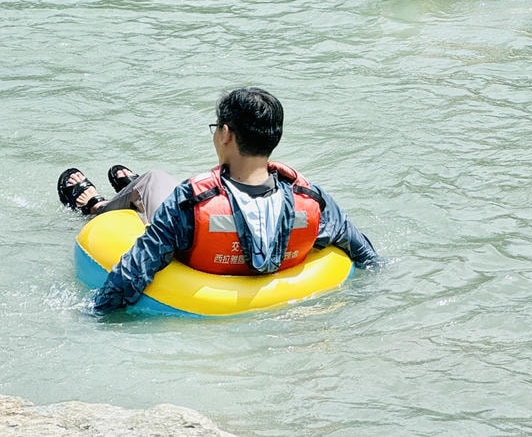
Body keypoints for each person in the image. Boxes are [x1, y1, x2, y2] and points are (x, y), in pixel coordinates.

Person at [56, 87, 381, 313]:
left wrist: (92, 315)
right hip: (268, 268)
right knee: (157, 185)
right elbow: (364, 253)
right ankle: (133, 186)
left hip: (197, 243)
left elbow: (135, 270)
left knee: (155, 179)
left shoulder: (191, 201)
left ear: (225, 134)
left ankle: (97, 206)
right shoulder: (310, 198)